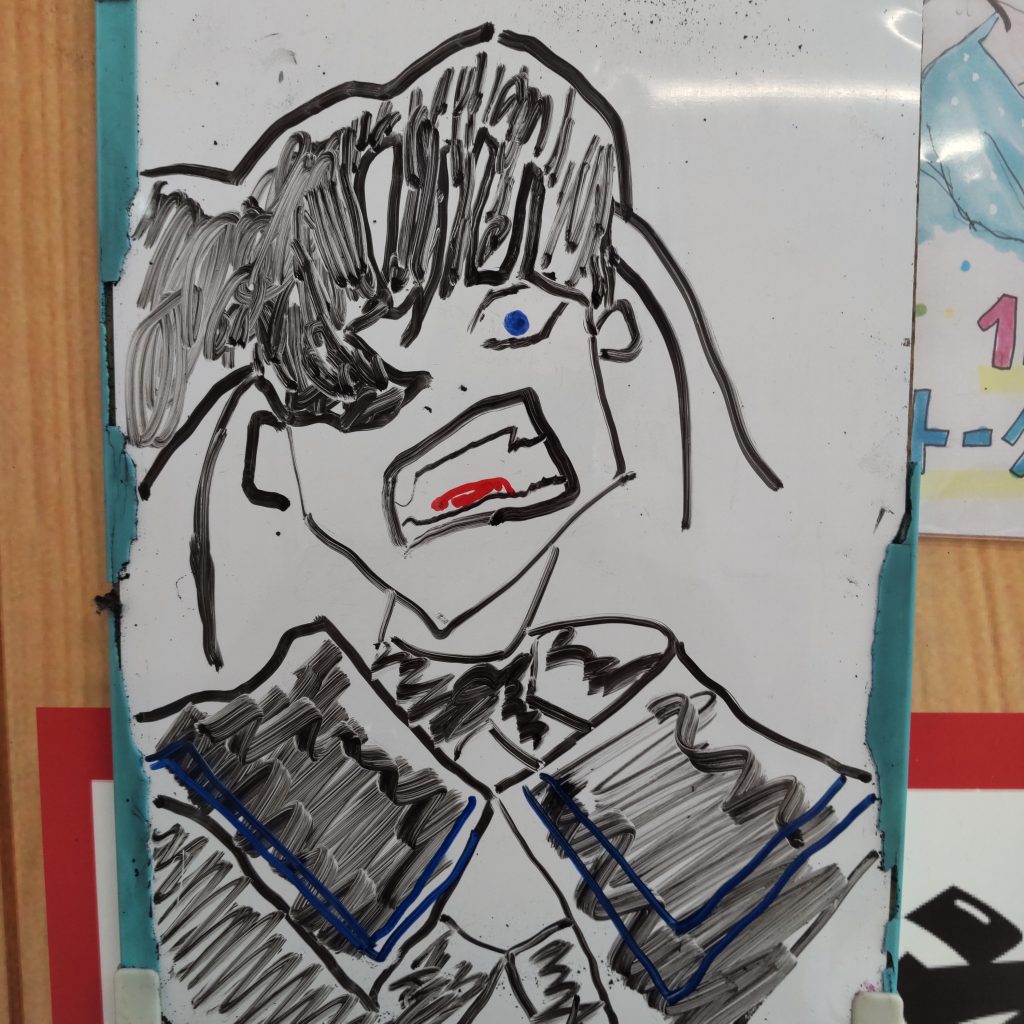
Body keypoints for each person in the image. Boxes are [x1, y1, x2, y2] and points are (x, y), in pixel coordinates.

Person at [121, 25, 877, 1024]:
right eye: (371, 383)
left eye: (516, 326)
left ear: (609, 339)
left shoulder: (682, 739)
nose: (463, 415)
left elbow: (801, 949)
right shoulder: (232, 782)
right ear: (272, 450)